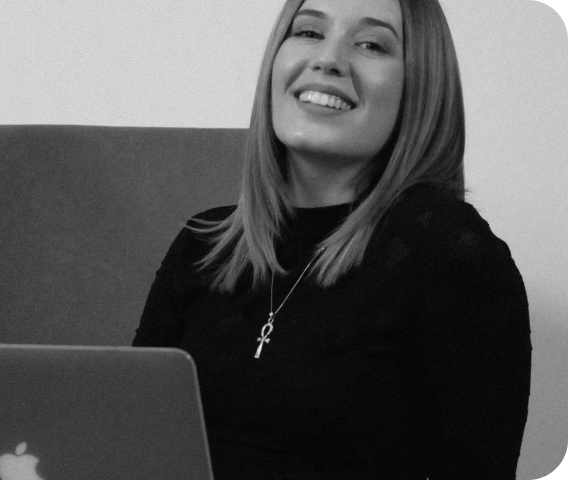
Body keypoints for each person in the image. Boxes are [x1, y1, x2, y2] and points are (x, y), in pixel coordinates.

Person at [132, 0, 532, 478]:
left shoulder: (449, 250)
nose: (328, 59)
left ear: (420, 88)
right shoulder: (203, 244)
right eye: (308, 32)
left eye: (371, 44)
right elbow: (127, 440)